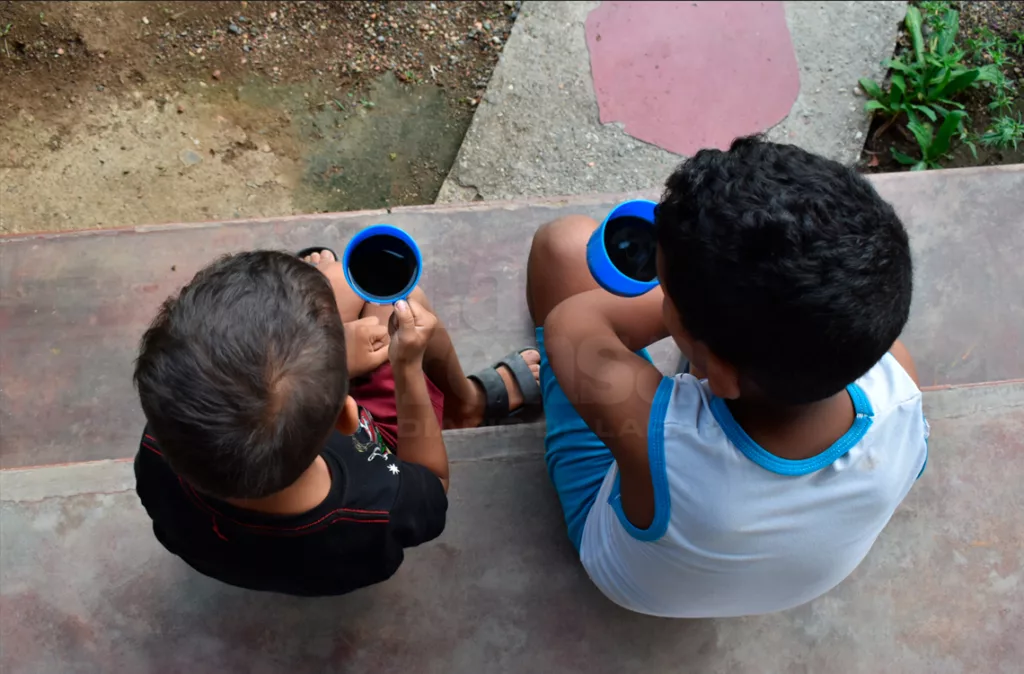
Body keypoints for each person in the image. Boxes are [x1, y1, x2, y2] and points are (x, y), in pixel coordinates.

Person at [526, 136, 928, 618]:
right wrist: (709, 308)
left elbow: (573, 324)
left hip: (632, 581)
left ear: (719, 373)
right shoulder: (899, 391)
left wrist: (684, 292)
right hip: (782, 577)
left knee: (565, 245)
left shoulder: (665, 439)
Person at [133, 248, 540, 596]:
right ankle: (464, 406)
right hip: (366, 467)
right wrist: (407, 367)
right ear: (349, 413)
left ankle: (318, 315)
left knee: (336, 288)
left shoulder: (163, 442)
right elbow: (433, 483)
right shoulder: (377, 507)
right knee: (399, 298)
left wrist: (329, 351)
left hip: (240, 549)